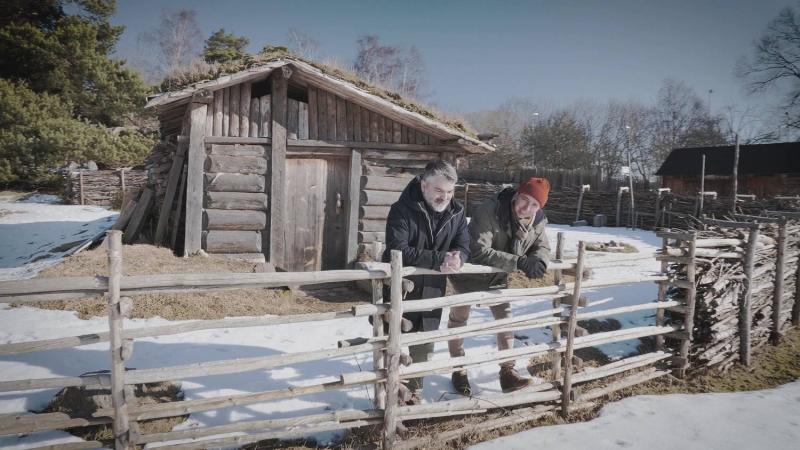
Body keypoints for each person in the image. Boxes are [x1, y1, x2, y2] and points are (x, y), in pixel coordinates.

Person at [448, 177, 551, 395]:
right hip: (469, 275)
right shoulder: (490, 210)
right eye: (524, 200)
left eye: (535, 204)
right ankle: (459, 370)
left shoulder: (538, 220)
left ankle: (508, 373)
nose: (527, 208)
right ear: (517, 194)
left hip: (497, 278)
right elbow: (478, 250)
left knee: (505, 321)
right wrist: (519, 262)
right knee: (459, 320)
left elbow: (541, 245)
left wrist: (540, 261)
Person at [382, 160, 470, 404]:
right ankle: (391, 394)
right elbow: (397, 249)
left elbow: (463, 245)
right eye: (439, 191)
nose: (446, 197)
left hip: (432, 287)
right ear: (424, 186)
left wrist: (458, 258)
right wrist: (440, 258)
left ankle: (414, 392)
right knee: (394, 341)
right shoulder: (402, 209)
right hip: (401, 287)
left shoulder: (457, 212)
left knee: (424, 343)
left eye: (450, 192)